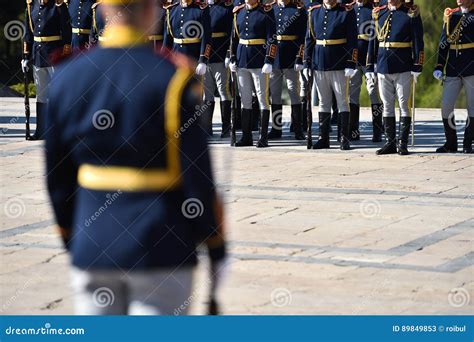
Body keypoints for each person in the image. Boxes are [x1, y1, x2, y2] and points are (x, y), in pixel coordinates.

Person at [45, 0, 226, 314]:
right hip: (161, 247)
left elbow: (57, 179)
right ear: (151, 11)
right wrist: (214, 243)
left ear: (103, 11)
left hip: (94, 246)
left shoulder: (68, 76)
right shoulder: (175, 78)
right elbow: (197, 178)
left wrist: (73, 236)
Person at [367, 0, 424, 155]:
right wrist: (369, 66)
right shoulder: (379, 13)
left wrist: (418, 65)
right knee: (387, 105)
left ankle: (402, 143)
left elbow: (418, 41)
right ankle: (390, 142)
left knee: (404, 104)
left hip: (403, 66)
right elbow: (373, 42)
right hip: (383, 65)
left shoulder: (410, 13)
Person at [303, 0, 358, 150]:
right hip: (319, 63)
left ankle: (344, 137)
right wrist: (306, 62)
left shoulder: (346, 12)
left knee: (342, 102)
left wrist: (351, 63)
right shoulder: (314, 12)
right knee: (323, 101)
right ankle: (323, 138)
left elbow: (353, 40)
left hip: (339, 63)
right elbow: (309, 39)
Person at [229, 0, 277, 147]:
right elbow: (234, 38)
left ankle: (263, 137)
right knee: (245, 100)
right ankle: (246, 136)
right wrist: (231, 57)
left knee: (262, 99)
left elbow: (272, 39)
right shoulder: (239, 13)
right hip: (242, 60)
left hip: (259, 61)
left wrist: (269, 60)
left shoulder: (266, 12)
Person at [22, 0, 72, 140]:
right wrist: (26, 56)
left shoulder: (58, 5)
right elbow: (28, 32)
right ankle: (41, 130)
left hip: (54, 53)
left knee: (58, 94)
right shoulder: (31, 4)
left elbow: (67, 30)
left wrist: (65, 53)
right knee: (41, 95)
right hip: (38, 54)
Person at [433, 0, 473, 154]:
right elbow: (444, 42)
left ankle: (468, 142)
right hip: (453, 67)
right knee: (446, 106)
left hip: (471, 67)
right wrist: (439, 66)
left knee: (472, 107)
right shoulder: (451, 15)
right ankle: (451, 142)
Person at [267, 0, 307, 141]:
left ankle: (297, 128)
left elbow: (303, 37)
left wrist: (300, 57)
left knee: (293, 92)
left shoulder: (298, 10)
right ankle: (276, 128)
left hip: (291, 55)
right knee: (275, 94)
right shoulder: (271, 9)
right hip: (275, 56)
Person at [348, 0, 383, 142]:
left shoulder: (374, 10)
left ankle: (377, 131)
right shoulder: (350, 9)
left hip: (369, 59)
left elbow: (375, 38)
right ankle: (353, 131)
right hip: (353, 58)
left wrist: (373, 62)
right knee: (352, 94)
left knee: (374, 93)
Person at [202, 0, 234, 137]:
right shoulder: (203, 9)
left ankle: (226, 127)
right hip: (205, 57)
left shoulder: (227, 10)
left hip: (220, 55)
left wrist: (228, 53)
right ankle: (207, 127)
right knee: (207, 93)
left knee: (223, 91)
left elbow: (231, 34)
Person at [163, 0, 212, 76]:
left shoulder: (201, 9)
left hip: (193, 59)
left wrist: (203, 60)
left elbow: (206, 37)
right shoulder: (171, 10)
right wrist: (163, 58)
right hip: (175, 59)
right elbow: (167, 38)